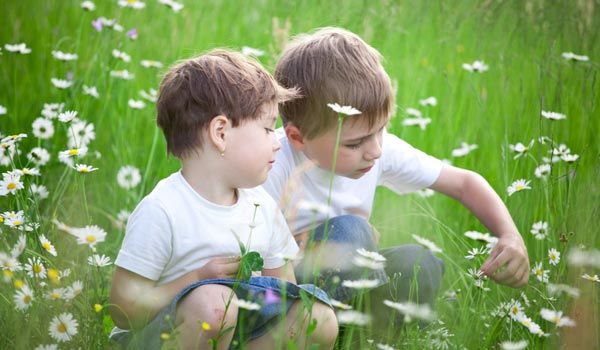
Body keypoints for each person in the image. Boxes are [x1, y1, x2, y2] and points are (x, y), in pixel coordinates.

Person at [263, 27, 530, 322]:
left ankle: (362, 333)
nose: (375, 151)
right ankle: (313, 330)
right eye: (355, 143)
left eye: (381, 130)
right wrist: (335, 242)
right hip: (284, 295)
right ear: (298, 138)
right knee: (351, 230)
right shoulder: (271, 163)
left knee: (419, 263)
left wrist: (510, 235)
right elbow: (251, 258)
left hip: (352, 292)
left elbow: (465, 183)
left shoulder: (377, 148)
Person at [109, 49, 338, 350]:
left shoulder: (262, 206)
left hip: (240, 330)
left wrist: (263, 295)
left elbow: (284, 291)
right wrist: (196, 278)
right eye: (268, 128)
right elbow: (123, 309)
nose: (277, 143)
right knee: (215, 304)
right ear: (220, 133)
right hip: (161, 335)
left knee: (316, 316)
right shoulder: (164, 209)